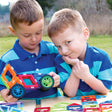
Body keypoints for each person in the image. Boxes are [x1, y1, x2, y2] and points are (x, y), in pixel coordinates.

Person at [0, 0, 63, 103]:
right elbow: (2, 82)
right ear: (13, 31)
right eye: (27, 35)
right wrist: (4, 92)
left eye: (38, 32)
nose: (34, 39)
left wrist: (59, 78)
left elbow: (66, 72)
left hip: (53, 106)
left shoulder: (53, 50)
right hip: (25, 107)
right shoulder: (8, 60)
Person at [48, 8, 112, 97]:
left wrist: (86, 76)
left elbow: (105, 89)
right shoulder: (61, 60)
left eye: (68, 42)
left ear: (85, 34)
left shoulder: (101, 57)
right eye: (58, 46)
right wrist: (75, 67)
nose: (64, 51)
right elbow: (70, 93)